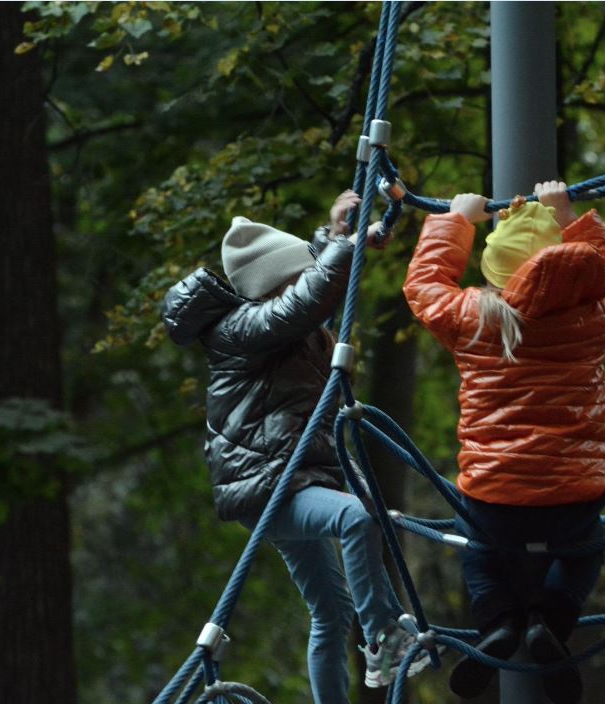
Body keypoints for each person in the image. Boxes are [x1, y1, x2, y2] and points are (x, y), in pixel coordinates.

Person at [162, 190, 424, 702]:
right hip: (267, 489)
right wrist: (341, 248)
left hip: (293, 480)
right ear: (272, 283)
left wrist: (339, 236)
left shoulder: (290, 333)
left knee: (331, 610)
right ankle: (382, 638)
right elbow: (306, 300)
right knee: (356, 518)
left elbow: (315, 300)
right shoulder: (238, 330)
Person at [402, 181, 605, 703]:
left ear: (493, 271)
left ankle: (499, 618)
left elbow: (423, 285)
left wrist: (457, 222)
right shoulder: (591, 319)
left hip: (495, 494)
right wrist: (567, 212)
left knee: (477, 549)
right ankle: (549, 619)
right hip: (576, 494)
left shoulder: (474, 317)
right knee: (583, 553)